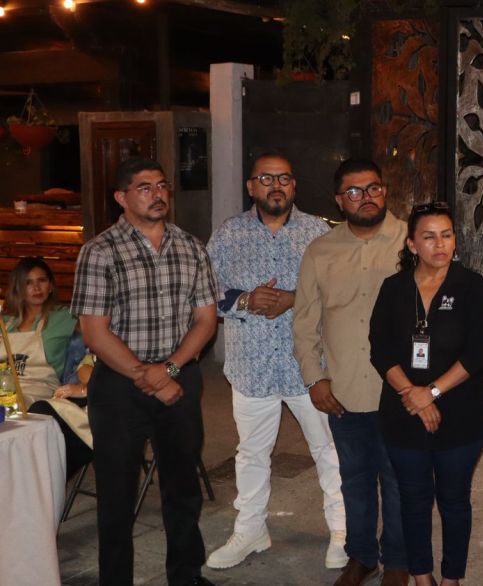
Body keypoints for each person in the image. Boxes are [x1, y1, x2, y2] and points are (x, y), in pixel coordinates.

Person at [72, 157, 218, 586]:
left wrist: (169, 369)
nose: (158, 194)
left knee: (183, 488)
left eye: (162, 185)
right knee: (116, 495)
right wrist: (147, 376)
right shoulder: (100, 251)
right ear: (122, 197)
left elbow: (206, 320)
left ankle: (186, 577)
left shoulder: (191, 246)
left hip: (179, 378)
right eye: (144, 187)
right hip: (119, 387)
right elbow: (94, 332)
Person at [205, 153, 346, 570]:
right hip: (251, 367)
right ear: (251, 186)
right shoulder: (228, 235)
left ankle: (343, 531)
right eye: (266, 178)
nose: (276, 186)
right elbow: (205, 292)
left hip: (310, 368)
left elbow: (340, 293)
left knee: (329, 451)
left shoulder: (317, 232)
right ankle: (251, 531)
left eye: (284, 178)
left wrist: (293, 299)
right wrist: (245, 300)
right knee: (251, 454)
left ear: (294, 186)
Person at [294, 158, 410, 586]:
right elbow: (305, 322)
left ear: (385, 191)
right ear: (339, 200)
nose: (367, 198)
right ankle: (362, 556)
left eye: (374, 188)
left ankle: (398, 559)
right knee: (355, 480)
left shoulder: (412, 241)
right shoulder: (320, 251)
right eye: (355, 192)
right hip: (343, 391)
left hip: (402, 391)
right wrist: (315, 378)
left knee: (400, 480)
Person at [369, 201, 483, 586]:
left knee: (454, 501)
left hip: (461, 415)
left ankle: (452, 579)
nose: (440, 244)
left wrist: (433, 392)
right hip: (403, 412)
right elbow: (380, 349)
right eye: (429, 237)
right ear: (412, 244)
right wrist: (414, 394)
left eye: (446, 235)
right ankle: (422, 577)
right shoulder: (393, 288)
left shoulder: (471, 286)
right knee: (413, 499)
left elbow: (478, 351)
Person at [4, 257, 93, 479]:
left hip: (41, 391)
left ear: (51, 285)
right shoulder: (5, 322)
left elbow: (98, 339)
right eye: (28, 282)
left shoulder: (65, 317)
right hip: (6, 388)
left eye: (42, 280)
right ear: (18, 288)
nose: (36, 288)